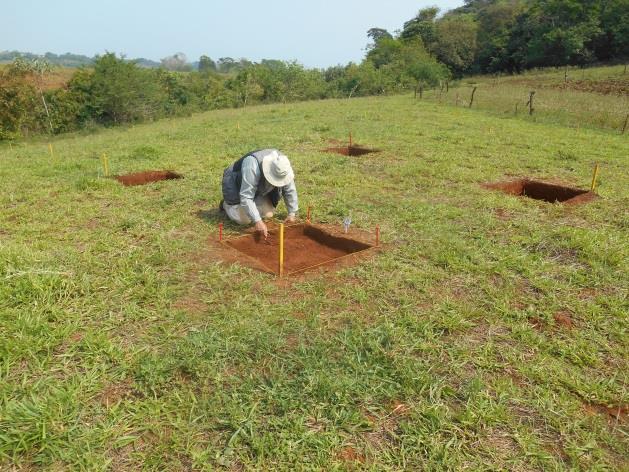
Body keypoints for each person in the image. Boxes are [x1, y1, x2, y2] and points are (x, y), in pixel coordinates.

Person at [220, 149, 298, 238]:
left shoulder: (282, 164)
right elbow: (246, 196)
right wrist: (258, 221)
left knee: (268, 214)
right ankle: (226, 205)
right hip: (235, 184)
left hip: (257, 189)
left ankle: (251, 206)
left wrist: (292, 213)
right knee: (244, 220)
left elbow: (289, 189)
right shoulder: (251, 165)